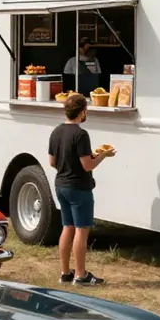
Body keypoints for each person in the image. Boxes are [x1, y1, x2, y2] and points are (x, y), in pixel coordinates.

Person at [48, 93, 114, 286]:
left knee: (66, 227)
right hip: (79, 188)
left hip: (61, 185)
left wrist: (88, 156)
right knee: (81, 230)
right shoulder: (80, 134)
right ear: (82, 112)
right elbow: (87, 166)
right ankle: (80, 274)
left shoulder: (56, 131)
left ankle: (64, 272)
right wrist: (103, 156)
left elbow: (52, 162)